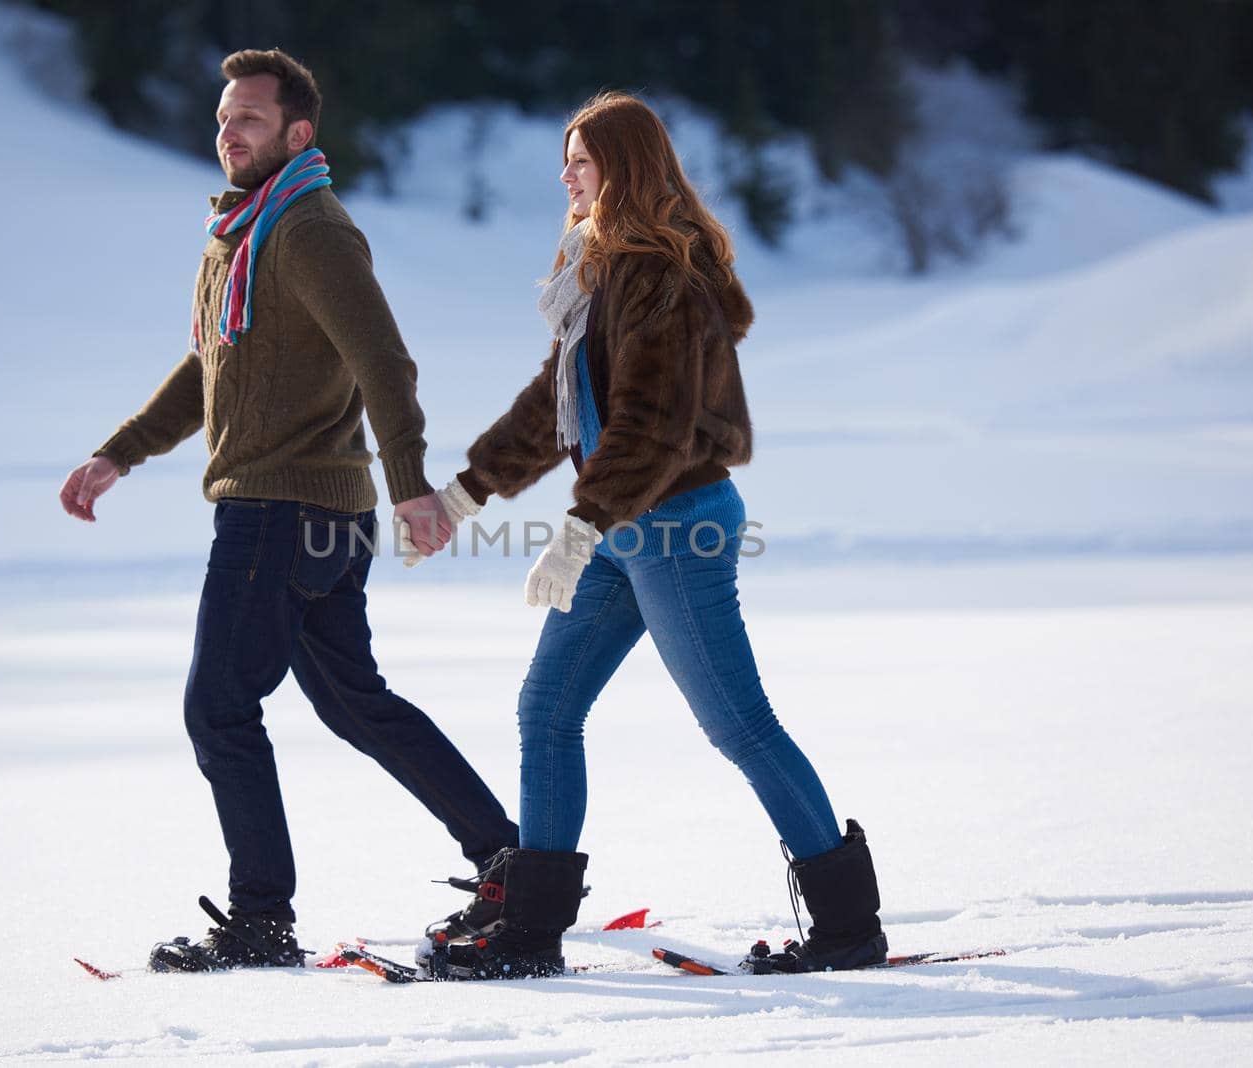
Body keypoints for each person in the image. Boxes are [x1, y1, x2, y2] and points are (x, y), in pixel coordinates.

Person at [58, 48, 517, 972]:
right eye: (225, 117)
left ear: (297, 134)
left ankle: (261, 919)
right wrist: (122, 451)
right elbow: (214, 366)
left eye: (251, 121)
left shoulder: (307, 229)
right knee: (357, 705)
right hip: (310, 516)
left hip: (279, 512)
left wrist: (413, 483)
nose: (229, 133)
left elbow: (384, 361)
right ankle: (510, 860)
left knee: (218, 708)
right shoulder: (242, 232)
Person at [414, 92, 889, 980]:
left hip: (674, 527)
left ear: (623, 169)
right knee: (546, 711)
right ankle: (532, 930)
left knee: (739, 726)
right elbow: (553, 406)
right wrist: (464, 493)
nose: (565, 176)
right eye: (566, 159)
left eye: (581, 161)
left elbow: (650, 427)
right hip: (624, 527)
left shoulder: (663, 279)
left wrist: (579, 530)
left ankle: (847, 925)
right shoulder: (600, 271)